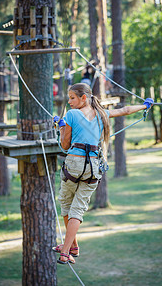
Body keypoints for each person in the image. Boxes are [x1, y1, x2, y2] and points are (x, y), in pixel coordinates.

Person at [53, 83, 153, 264]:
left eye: (72, 98)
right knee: (78, 209)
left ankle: (66, 251)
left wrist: (60, 127)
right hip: (94, 166)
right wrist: (145, 106)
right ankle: (72, 246)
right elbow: (125, 110)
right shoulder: (102, 114)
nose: (69, 102)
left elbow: (65, 145)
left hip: (74, 164)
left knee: (67, 205)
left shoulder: (72, 115)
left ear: (84, 98)